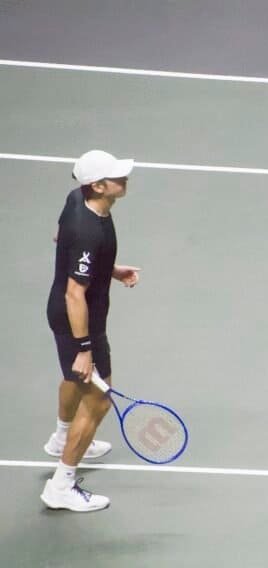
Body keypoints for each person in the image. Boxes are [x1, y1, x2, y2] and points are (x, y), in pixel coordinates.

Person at [41, 150, 140, 512]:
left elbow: (61, 239)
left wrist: (108, 269)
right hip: (79, 322)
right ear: (97, 186)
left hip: (64, 313)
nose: (124, 179)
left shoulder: (76, 200)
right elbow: (74, 292)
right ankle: (61, 486)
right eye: (116, 177)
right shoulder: (89, 231)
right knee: (98, 401)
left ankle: (61, 438)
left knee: (74, 379)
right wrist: (84, 347)